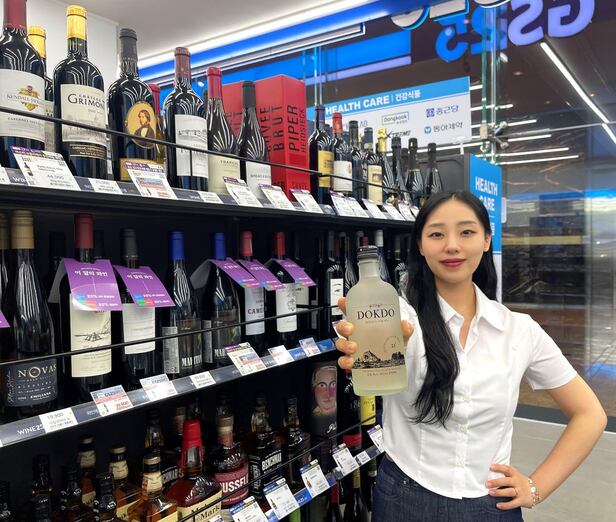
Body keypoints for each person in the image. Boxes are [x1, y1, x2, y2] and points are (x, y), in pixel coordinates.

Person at [335, 190, 607, 521]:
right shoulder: (397, 317)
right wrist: (364, 349)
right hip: (404, 499)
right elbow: (370, 350)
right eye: (437, 234)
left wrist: (536, 488)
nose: (452, 246)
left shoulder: (518, 330)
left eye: (466, 232)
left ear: (486, 240)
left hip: (491, 504)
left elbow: (590, 414)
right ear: (420, 245)